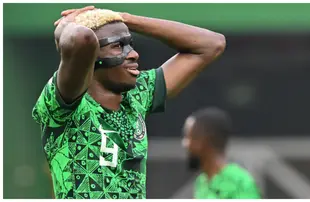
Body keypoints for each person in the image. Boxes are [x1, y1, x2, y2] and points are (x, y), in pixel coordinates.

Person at [32, 6, 225, 199]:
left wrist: (123, 18)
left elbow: (211, 44)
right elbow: (82, 39)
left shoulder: (138, 94)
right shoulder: (64, 104)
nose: (133, 54)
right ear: (91, 58)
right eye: (118, 46)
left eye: (130, 44)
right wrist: (64, 28)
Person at [182, 107, 261, 199]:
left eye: (189, 137)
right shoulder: (201, 182)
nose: (185, 144)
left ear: (205, 140)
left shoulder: (239, 181)